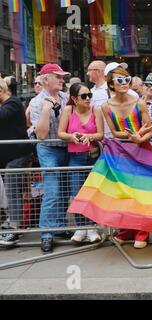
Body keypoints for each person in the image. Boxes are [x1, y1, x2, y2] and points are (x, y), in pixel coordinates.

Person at [102, 66, 152, 249]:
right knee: (125, 193)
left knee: (141, 193)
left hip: (142, 150)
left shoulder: (139, 103)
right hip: (124, 152)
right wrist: (129, 136)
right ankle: (126, 231)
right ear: (111, 84)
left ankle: (142, 232)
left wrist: (139, 138)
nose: (125, 84)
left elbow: (150, 128)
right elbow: (115, 132)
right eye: (120, 80)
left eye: (127, 80)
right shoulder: (106, 107)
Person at [29, 64, 71, 253]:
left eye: (62, 77)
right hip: (48, 149)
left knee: (64, 190)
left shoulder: (66, 98)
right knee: (53, 191)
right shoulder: (37, 102)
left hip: (66, 147)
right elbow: (42, 135)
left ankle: (60, 227)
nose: (62, 80)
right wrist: (46, 109)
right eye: (58, 77)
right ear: (46, 79)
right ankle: (46, 234)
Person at [58, 83, 104, 243]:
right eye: (83, 96)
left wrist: (89, 137)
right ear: (74, 99)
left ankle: (92, 227)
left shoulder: (96, 110)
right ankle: (81, 227)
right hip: (75, 157)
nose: (87, 99)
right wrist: (72, 136)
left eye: (89, 95)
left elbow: (100, 134)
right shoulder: (68, 110)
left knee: (91, 193)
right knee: (77, 193)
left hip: (93, 157)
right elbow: (61, 133)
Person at [0, 77, 33, 246]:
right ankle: (12, 224)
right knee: (10, 192)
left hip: (17, 156)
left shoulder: (12, 103)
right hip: (8, 157)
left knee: (13, 192)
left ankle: (15, 229)